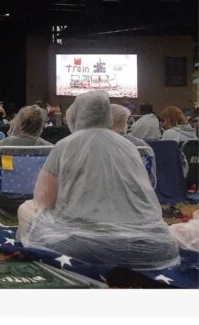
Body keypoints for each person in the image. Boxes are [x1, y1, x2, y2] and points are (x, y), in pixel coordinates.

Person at [16, 91, 179, 270]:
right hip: (154, 248)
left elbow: (43, 201)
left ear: (76, 114)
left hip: (81, 247)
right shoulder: (131, 147)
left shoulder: (65, 145)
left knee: (26, 208)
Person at [111, 103, 157, 190]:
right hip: (139, 191)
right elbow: (151, 177)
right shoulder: (140, 145)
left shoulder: (98, 143)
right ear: (125, 122)